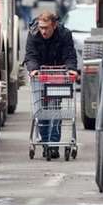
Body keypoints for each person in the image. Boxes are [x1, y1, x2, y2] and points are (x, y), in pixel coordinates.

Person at [24, 10, 78, 158]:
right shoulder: (34, 33)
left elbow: (69, 55)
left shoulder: (64, 34)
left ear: (54, 25)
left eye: (46, 28)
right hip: (39, 76)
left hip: (57, 75)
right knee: (41, 110)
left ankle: (53, 144)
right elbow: (30, 55)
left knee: (54, 107)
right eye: (41, 27)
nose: (43, 31)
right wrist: (34, 69)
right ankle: (46, 142)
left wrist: (71, 69)